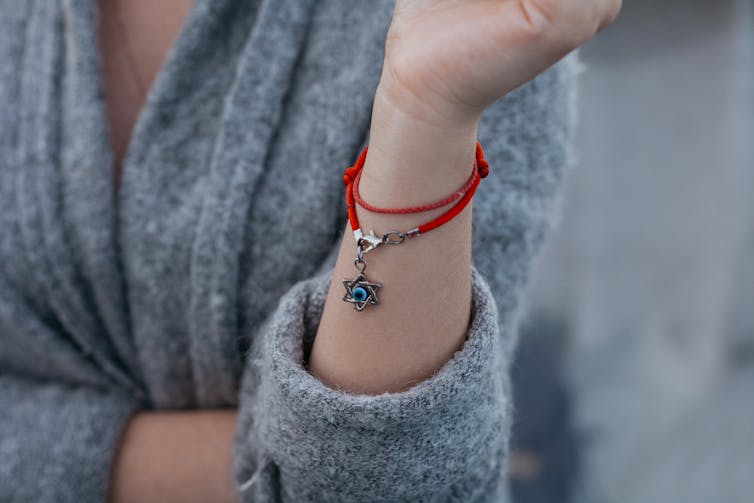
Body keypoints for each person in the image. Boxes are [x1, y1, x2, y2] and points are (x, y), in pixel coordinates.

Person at [0, 0, 620, 501]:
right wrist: (267, 460)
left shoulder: (468, 21)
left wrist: (425, 113)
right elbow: (319, 475)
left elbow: (387, 480)